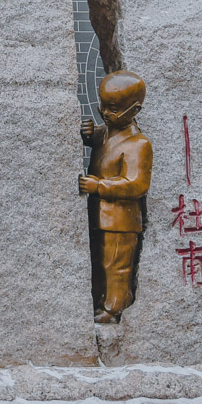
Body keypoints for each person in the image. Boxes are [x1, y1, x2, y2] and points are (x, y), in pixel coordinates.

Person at [79, 71, 152, 323]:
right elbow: (102, 144)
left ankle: (115, 307)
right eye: (102, 106)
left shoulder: (138, 144)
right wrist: (89, 136)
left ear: (135, 110)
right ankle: (101, 299)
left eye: (112, 109)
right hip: (100, 215)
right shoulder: (107, 133)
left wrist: (99, 185)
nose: (105, 113)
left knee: (117, 265)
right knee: (100, 262)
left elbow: (136, 184)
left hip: (122, 221)